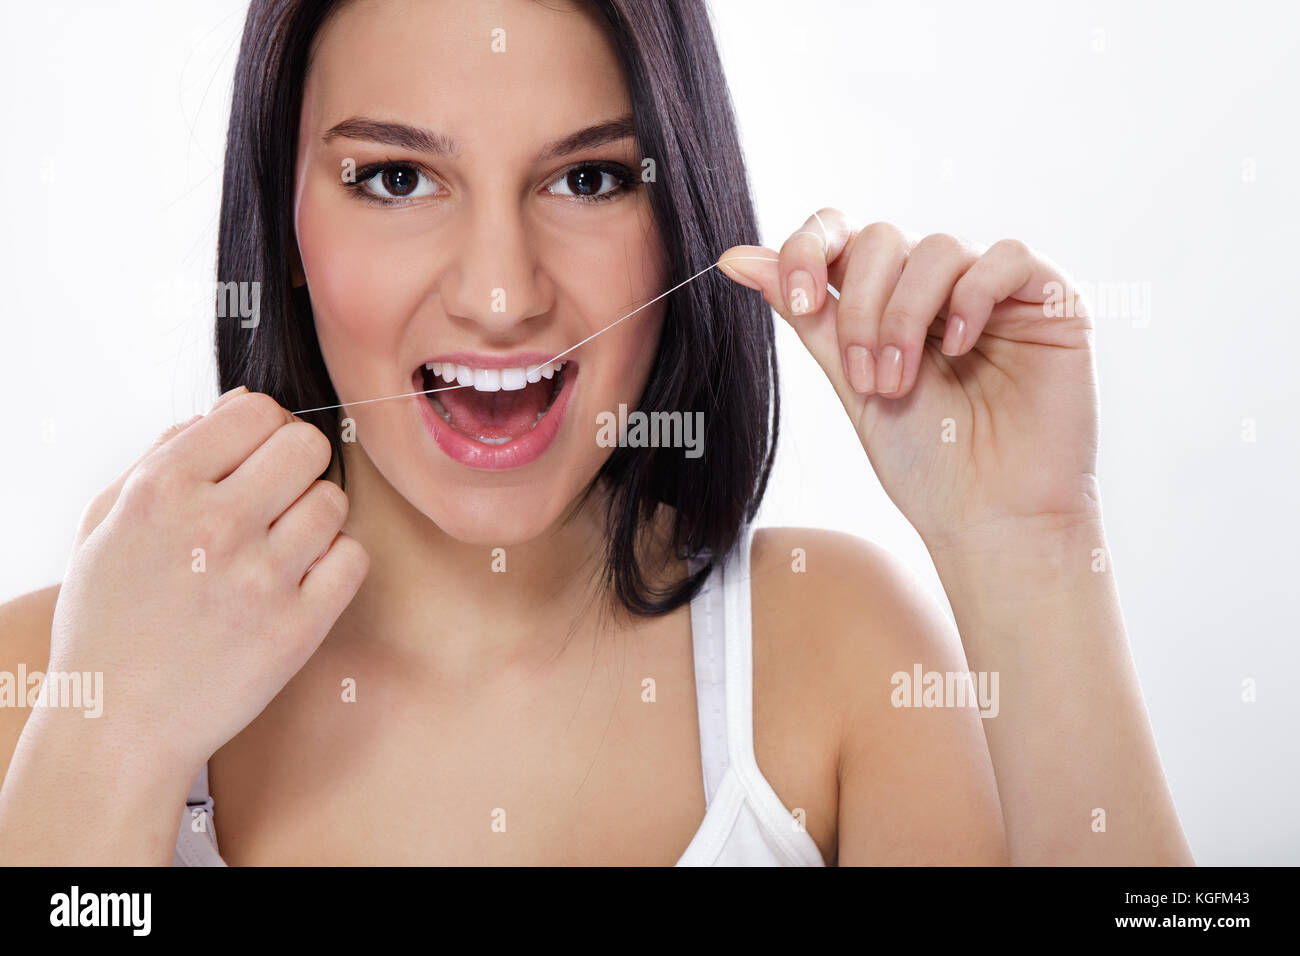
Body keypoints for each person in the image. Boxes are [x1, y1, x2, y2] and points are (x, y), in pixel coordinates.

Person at [0, 0, 1193, 866]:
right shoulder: (47, 685)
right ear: (284, 214)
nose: (502, 295)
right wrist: (107, 754)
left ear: (678, 217)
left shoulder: (836, 659)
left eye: (586, 181)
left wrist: (1031, 552)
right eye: (398, 179)